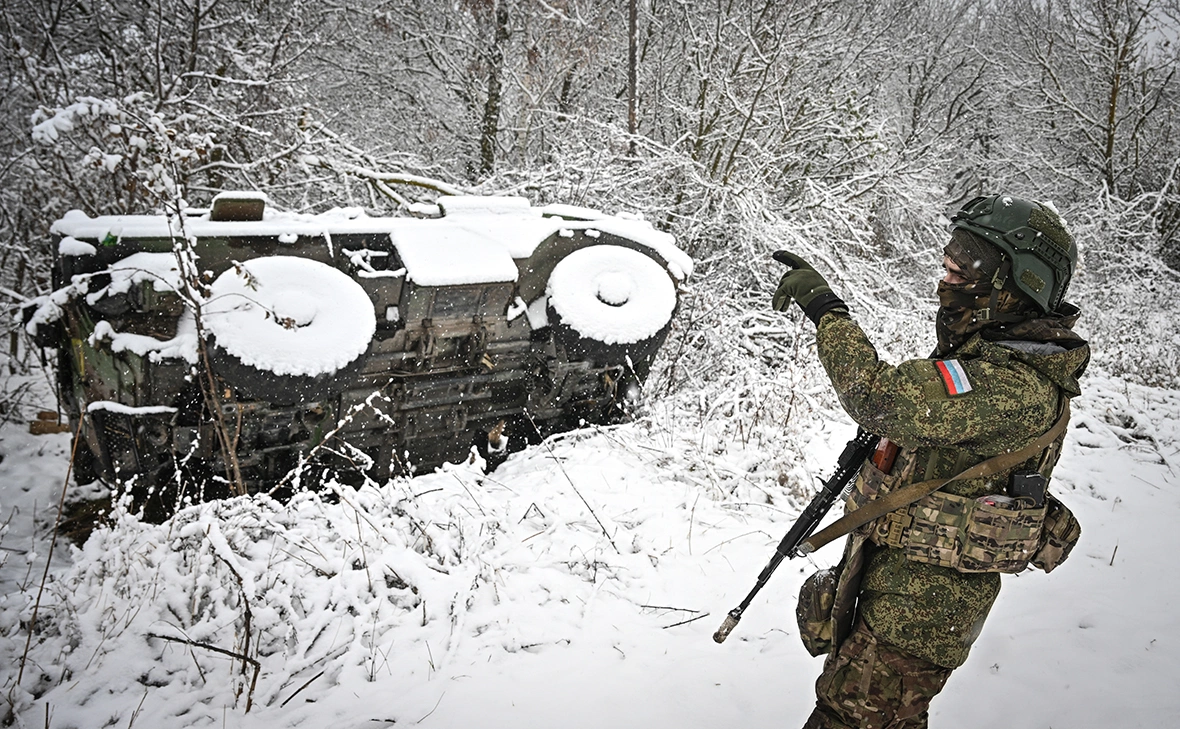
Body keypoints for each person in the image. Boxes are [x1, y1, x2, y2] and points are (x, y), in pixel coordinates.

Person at [772, 194, 1090, 728]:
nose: (947, 276)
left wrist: (828, 312)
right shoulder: (988, 362)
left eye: (963, 267)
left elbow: (879, 396)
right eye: (949, 260)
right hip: (896, 590)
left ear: (1016, 285)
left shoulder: (1012, 385)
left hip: (918, 614)